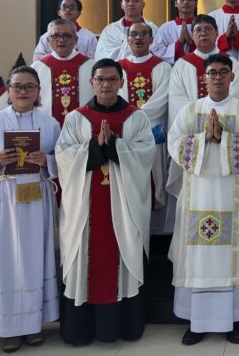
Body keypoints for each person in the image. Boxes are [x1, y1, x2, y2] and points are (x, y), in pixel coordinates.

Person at [55, 58, 156, 346]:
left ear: (122, 83)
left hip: (124, 206)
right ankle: (81, 330)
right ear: (91, 83)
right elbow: (63, 156)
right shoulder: (76, 118)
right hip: (84, 209)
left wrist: (113, 145)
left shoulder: (136, 118)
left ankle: (124, 327)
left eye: (112, 79)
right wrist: (94, 147)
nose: (106, 85)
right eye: (100, 79)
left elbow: (145, 155)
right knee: (84, 257)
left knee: (123, 253)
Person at [167, 54, 239, 345]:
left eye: (223, 72)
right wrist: (202, 139)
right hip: (197, 195)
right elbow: (174, 144)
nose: (218, 77)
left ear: (232, 77)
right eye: (212, 73)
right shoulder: (190, 110)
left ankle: (233, 319)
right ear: (204, 77)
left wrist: (223, 137)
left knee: (232, 254)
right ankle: (197, 321)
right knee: (197, 256)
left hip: (233, 195)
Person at [0, 66, 61, 352]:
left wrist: (48, 162)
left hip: (36, 195)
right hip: (4, 197)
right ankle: (8, 327)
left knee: (35, 259)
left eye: (29, 86)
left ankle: (33, 325)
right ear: (8, 91)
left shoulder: (49, 123)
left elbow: (65, 159)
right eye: (17, 86)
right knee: (6, 259)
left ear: (38, 91)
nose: (23, 91)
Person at [118, 21, 172, 233]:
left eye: (143, 34)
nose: (138, 38)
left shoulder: (162, 67)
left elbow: (162, 98)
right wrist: (128, 121)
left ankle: (155, 233)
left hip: (152, 133)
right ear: (127, 39)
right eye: (134, 34)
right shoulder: (117, 67)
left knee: (154, 180)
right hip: (125, 135)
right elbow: (115, 97)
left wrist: (135, 118)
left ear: (151, 39)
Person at [168, 14, 239, 129]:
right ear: (192, 35)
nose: (203, 33)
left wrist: (216, 120)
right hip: (191, 127)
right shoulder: (181, 65)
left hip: (224, 126)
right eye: (198, 30)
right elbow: (177, 99)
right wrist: (201, 120)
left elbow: (235, 95)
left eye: (208, 29)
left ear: (217, 33)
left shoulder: (231, 63)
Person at [31, 19, 94, 126]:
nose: (61, 40)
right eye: (55, 36)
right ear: (48, 40)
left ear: (76, 39)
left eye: (66, 36)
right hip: (46, 127)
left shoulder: (91, 66)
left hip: (83, 127)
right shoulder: (37, 68)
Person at [96, 0, 160, 62]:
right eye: (127, 0)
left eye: (136, 0)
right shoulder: (110, 31)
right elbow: (101, 57)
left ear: (143, 5)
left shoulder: (153, 29)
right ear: (122, 5)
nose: (131, 4)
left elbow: (158, 53)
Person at [32, 0, 98, 62]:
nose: (67, 9)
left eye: (72, 7)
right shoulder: (47, 36)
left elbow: (93, 62)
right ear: (59, 12)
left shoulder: (89, 37)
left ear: (79, 13)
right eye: (64, 6)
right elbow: (38, 61)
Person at [152, 0, 199, 64]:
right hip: (172, 68)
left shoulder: (202, 26)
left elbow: (210, 48)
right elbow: (157, 50)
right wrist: (179, 43)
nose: (186, 2)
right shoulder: (166, 28)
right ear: (175, 3)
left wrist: (191, 43)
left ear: (196, 3)